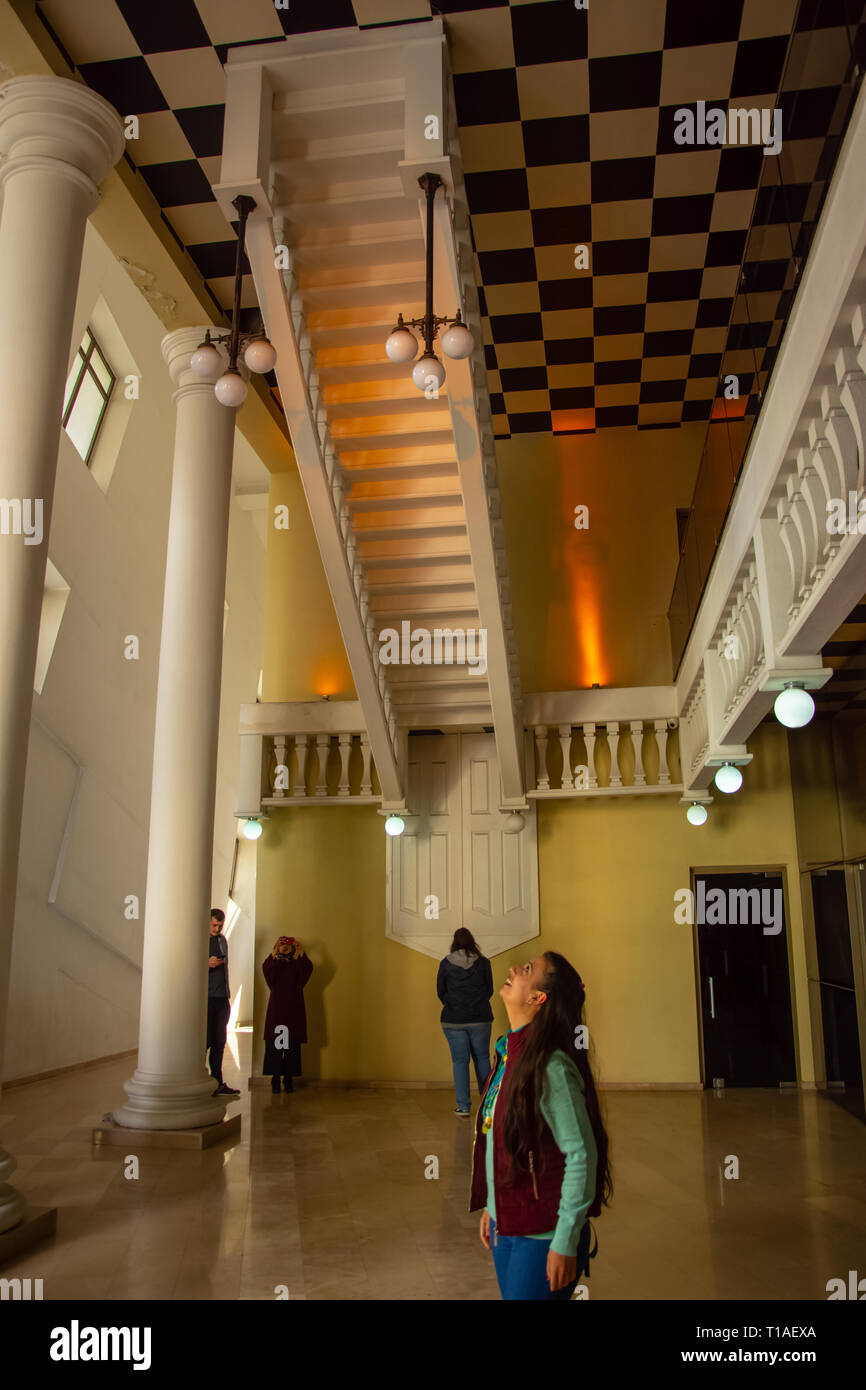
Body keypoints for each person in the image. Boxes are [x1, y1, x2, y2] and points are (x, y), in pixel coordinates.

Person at [470, 951, 612, 1301]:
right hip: (510, 1225)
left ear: (538, 997)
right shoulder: (508, 1053)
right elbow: (498, 1140)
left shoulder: (550, 1065)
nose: (514, 969)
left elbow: (581, 1155)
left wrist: (564, 1240)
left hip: (545, 1233)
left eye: (528, 969)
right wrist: (492, 1204)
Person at [437, 927, 494, 1117]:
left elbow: (440, 991)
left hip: (453, 1021)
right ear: (472, 941)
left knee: (459, 1061)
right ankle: (487, 1105)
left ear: (454, 943)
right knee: (483, 1059)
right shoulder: (484, 963)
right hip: (480, 1019)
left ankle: (463, 1107)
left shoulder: (446, 963)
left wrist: (453, 1004)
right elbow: (489, 990)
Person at [262, 936, 313, 1093]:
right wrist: (275, 952)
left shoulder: (297, 963)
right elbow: (268, 971)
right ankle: (275, 1079)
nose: (285, 949)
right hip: (277, 1012)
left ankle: (289, 1079)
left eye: (287, 947)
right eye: (283, 946)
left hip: (293, 1011)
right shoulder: (275, 963)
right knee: (276, 1046)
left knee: (291, 1046)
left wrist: (300, 953)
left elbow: (307, 971)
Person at [207, 908, 239, 1096]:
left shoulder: (222, 941)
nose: (217, 929)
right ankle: (199, 1081)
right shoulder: (199, 939)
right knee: (206, 1041)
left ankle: (217, 1082)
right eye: (214, 925)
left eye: (220, 925)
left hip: (222, 998)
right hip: (207, 998)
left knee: (220, 1041)